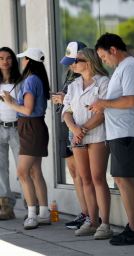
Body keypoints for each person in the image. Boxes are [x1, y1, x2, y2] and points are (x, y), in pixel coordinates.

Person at [89, 32, 134, 245]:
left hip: (127, 132)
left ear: (113, 50)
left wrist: (104, 103)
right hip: (120, 133)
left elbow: (131, 100)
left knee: (125, 180)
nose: (105, 62)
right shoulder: (123, 68)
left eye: (104, 57)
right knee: (122, 179)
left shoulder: (129, 66)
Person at [62, 47, 113, 239]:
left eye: (76, 60)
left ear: (89, 61)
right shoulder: (74, 84)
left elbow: (103, 111)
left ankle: (105, 224)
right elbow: (66, 111)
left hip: (97, 135)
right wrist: (74, 129)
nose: (72, 64)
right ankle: (92, 221)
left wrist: (81, 130)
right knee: (85, 179)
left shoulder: (104, 82)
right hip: (77, 136)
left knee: (98, 178)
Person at [2, 48, 50, 230]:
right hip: (35, 127)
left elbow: (27, 110)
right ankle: (43, 213)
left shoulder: (30, 80)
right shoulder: (37, 79)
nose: (21, 62)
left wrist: (10, 103)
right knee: (35, 171)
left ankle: (32, 215)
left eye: (24, 59)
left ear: (29, 61)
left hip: (30, 127)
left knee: (22, 172)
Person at [52, 41, 89, 229]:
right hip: (64, 124)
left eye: (73, 61)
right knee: (74, 172)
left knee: (84, 174)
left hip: (78, 126)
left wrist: (63, 98)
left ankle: (91, 214)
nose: (70, 65)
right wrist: (61, 98)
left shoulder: (88, 77)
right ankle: (84, 212)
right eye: (69, 62)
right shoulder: (68, 73)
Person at [0, 47, 21, 220]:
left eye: (8, 58)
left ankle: (32, 206)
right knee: (1, 169)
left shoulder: (20, 81)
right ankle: (6, 207)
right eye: (1, 58)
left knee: (23, 168)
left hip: (17, 128)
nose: (5, 61)